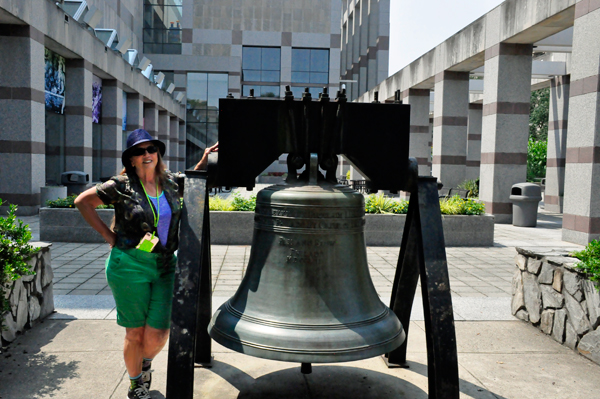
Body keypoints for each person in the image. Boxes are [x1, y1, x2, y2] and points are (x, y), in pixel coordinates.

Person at [75, 129, 218, 399]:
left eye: (151, 149)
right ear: (131, 159)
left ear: (158, 153)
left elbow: (197, 179)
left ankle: (143, 363)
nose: (147, 154)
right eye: (139, 151)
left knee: (159, 331)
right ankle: (136, 384)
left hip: (164, 264)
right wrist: (109, 235)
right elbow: (82, 202)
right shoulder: (120, 185)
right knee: (134, 333)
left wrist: (204, 159)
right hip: (129, 264)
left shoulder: (172, 182)